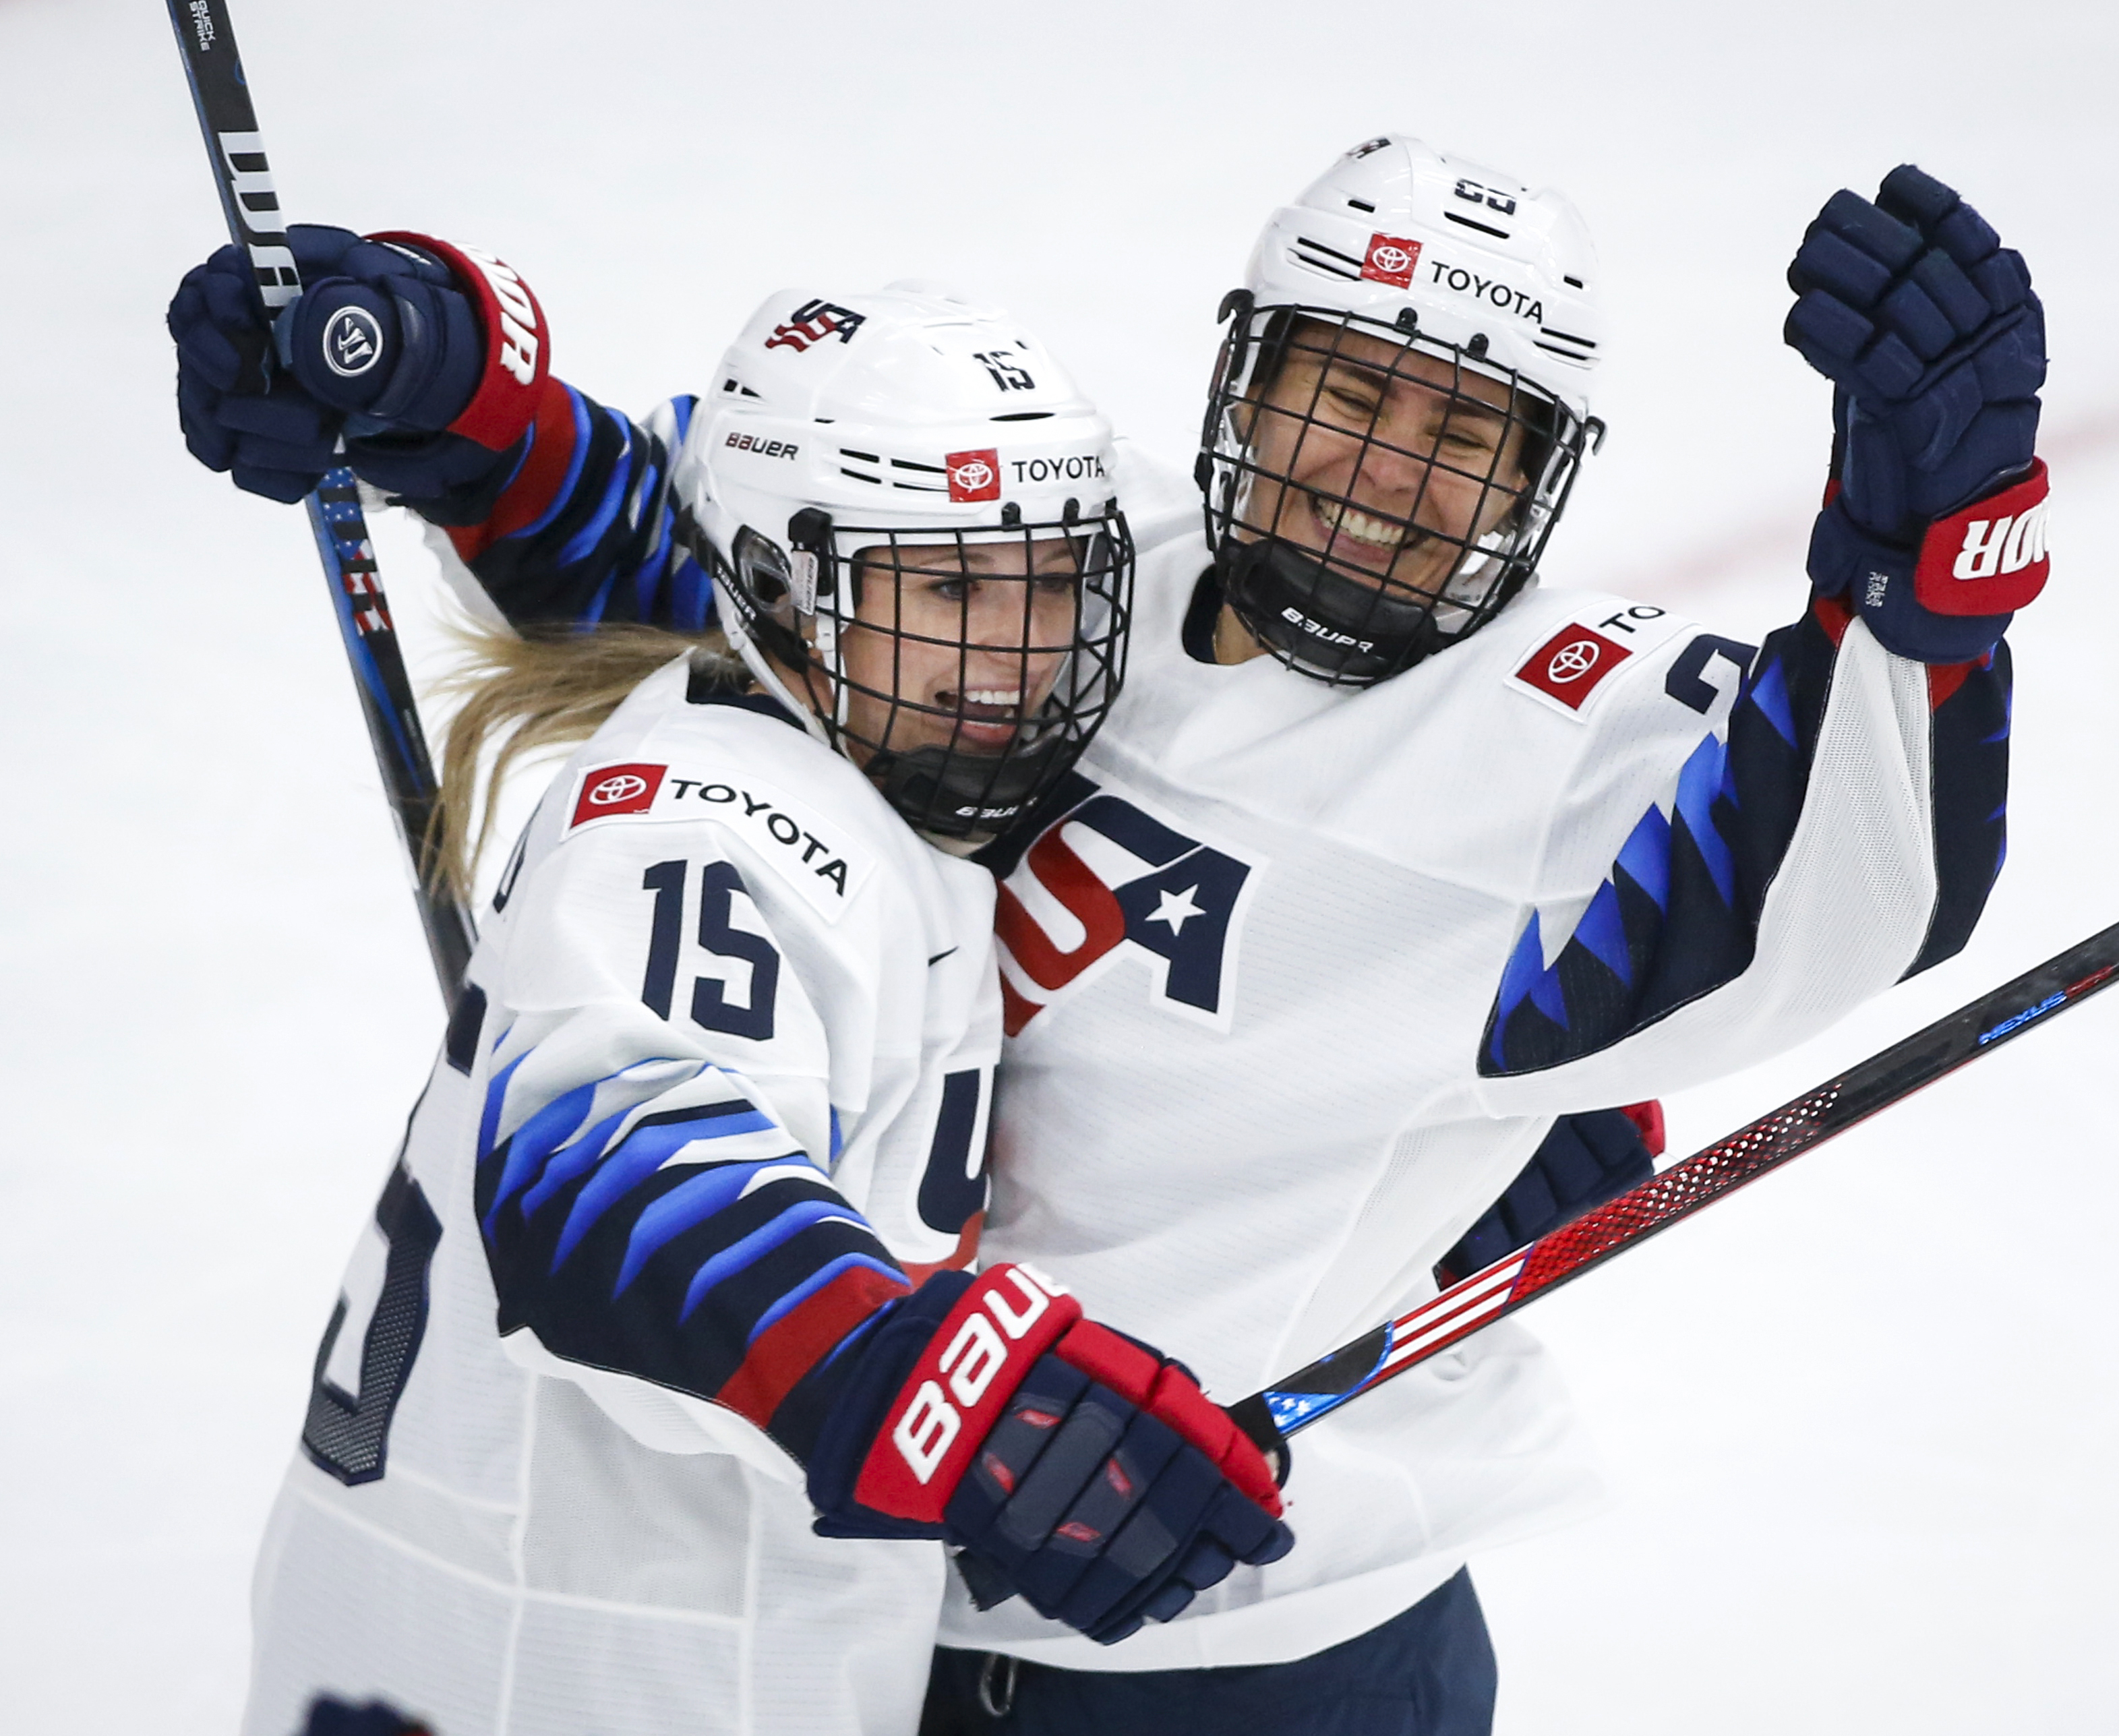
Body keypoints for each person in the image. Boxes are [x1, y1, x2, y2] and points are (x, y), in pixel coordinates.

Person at [171, 140, 2048, 1734]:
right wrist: (447, 399)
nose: (1391, 466)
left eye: (1468, 428)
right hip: (874, 1588)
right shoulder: (1083, 550)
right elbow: (743, 568)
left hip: (1236, 1648)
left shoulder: (1568, 735)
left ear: (1544, 475)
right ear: (1243, 376)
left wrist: (1921, 587)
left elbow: (1856, 881)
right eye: (1349, 389)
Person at [175, 270, 1291, 1736]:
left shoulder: (861, 740)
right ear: (775, 590)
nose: (1013, 659)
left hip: (603, 1635)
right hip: (535, 1674)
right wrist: (934, 1389)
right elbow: (610, 1169)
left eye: (1044, 583)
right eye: (951, 589)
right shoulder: (711, 821)